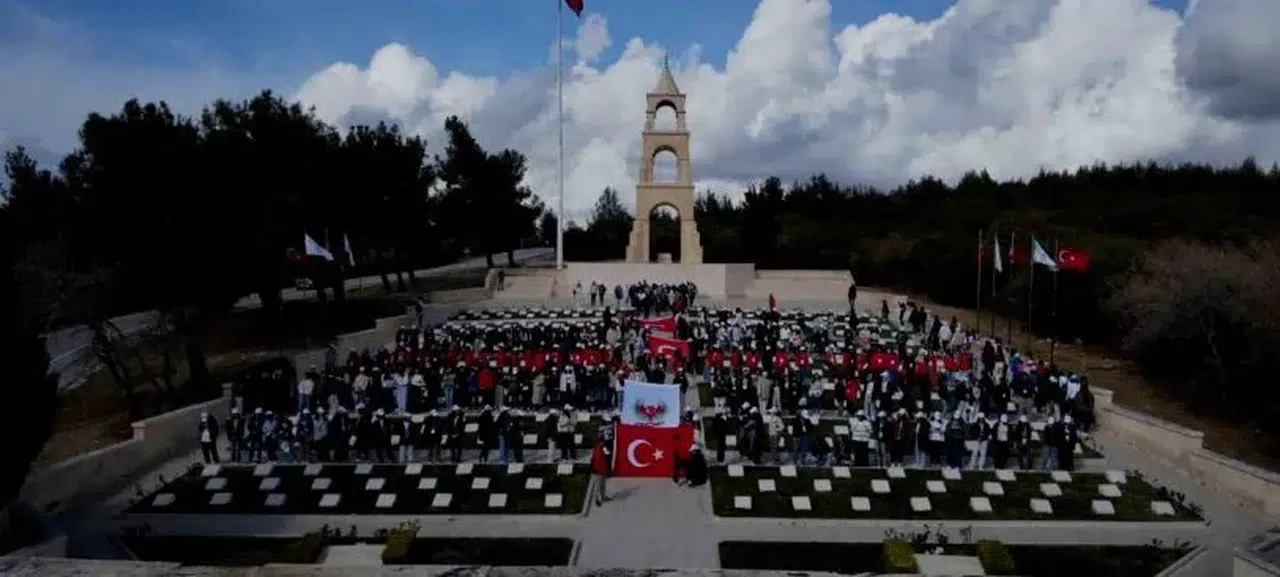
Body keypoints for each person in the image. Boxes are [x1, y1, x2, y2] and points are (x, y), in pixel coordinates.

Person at [590, 437, 612, 506]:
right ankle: (598, 499)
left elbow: (593, 458)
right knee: (600, 485)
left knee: (600, 485)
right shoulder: (603, 448)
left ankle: (601, 497)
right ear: (601, 442)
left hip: (596, 469)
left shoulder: (595, 448)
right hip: (601, 469)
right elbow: (608, 454)